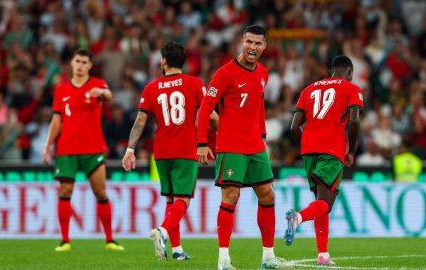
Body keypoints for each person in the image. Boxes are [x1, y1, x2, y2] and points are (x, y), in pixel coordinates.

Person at [197, 25, 285, 270]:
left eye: (258, 43)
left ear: (264, 46)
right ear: (241, 42)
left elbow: (258, 105)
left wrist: (263, 134)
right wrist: (202, 143)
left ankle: (268, 257)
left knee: (268, 195)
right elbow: (205, 108)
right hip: (230, 145)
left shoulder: (263, 73)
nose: (253, 47)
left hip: (255, 145)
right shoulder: (225, 73)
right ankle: (223, 259)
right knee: (231, 196)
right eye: (249, 42)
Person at [122, 42, 218, 261]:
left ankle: (176, 250)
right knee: (183, 201)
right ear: (183, 61)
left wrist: (130, 150)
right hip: (185, 150)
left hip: (161, 151)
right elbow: (209, 115)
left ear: (163, 61)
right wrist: (225, 131)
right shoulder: (194, 83)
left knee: (171, 200)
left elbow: (140, 121)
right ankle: (162, 231)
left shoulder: (151, 87)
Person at [284, 55, 363, 266]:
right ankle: (298, 217)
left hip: (309, 150)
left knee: (321, 200)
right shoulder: (351, 88)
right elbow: (354, 121)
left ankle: (323, 255)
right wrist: (351, 151)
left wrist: (308, 145)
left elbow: (293, 127)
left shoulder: (309, 89)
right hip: (332, 149)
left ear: (331, 71)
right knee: (325, 203)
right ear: (350, 73)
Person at [43, 49, 124, 251]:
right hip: (67, 149)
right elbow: (56, 120)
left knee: (101, 192)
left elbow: (109, 95)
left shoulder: (97, 84)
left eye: (84, 62)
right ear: (72, 63)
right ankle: (65, 241)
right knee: (65, 191)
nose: (80, 65)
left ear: (90, 65)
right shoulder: (61, 90)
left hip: (93, 148)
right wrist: (48, 144)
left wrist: (101, 94)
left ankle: (109, 240)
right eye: (77, 61)